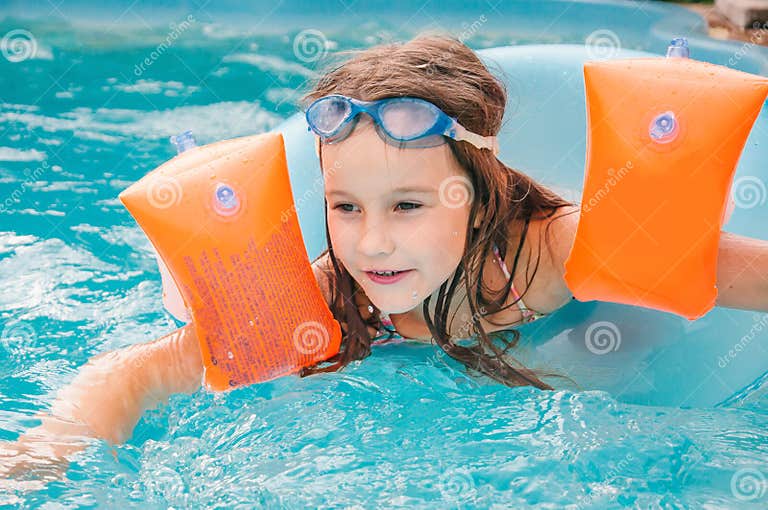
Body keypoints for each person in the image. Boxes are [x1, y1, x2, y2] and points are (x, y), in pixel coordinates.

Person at [2, 33, 767, 483]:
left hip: (599, 338)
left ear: (479, 192)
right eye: (345, 207)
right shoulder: (336, 299)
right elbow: (132, 370)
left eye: (407, 205)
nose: (370, 243)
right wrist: (41, 455)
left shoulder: (557, 250)